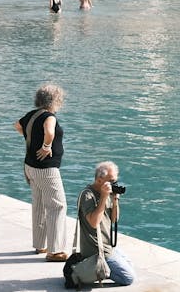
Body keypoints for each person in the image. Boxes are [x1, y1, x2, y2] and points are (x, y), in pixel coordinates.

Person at [15, 83, 68, 261]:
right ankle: (55, 251)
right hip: (46, 169)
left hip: (30, 166)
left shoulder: (31, 114)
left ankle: (40, 245)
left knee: (38, 205)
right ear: (55, 100)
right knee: (57, 205)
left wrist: (31, 137)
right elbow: (49, 131)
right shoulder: (49, 116)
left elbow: (17, 126)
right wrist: (46, 146)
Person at [71, 160, 136, 286]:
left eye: (115, 180)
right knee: (129, 278)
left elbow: (114, 219)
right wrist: (104, 197)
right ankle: (98, 270)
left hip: (107, 246)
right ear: (99, 180)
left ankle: (103, 269)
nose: (113, 184)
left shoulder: (108, 192)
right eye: (111, 181)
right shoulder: (87, 195)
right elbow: (94, 222)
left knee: (130, 265)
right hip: (95, 250)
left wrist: (115, 199)